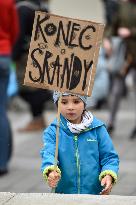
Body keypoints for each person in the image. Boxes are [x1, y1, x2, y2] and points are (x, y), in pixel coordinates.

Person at [40, 92, 119, 194]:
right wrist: (50, 170)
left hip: (94, 195)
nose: (70, 107)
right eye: (64, 102)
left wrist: (108, 175)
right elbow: (49, 154)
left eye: (76, 101)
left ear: (84, 104)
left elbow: (109, 157)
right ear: (57, 105)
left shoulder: (98, 129)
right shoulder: (53, 131)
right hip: (64, 195)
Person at [12, 0, 51, 132]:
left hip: (26, 55)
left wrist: (14, 55)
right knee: (37, 88)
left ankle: (37, 119)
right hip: (41, 53)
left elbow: (19, 34)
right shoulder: (40, 7)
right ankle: (39, 119)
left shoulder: (23, 9)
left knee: (28, 90)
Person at [103, 0, 136, 134]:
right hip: (124, 55)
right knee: (116, 90)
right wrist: (107, 39)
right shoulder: (122, 7)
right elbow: (112, 26)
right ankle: (111, 122)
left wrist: (131, 32)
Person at [0, 0, 19, 175]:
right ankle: (2, 163)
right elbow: (15, 30)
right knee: (1, 110)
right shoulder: (7, 2)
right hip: (3, 54)